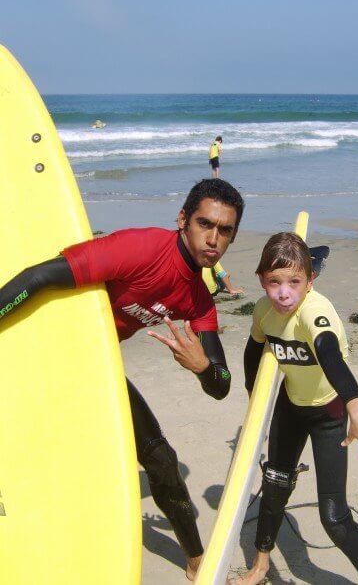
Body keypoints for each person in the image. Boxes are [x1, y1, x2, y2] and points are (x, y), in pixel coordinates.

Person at [0, 178, 244, 582]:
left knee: (161, 460)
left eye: (224, 231)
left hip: (94, 369)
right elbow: (38, 277)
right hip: (37, 354)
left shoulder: (198, 300)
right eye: (205, 224)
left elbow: (221, 385)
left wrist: (203, 367)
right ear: (183, 219)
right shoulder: (141, 249)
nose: (213, 239)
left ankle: (196, 559)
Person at [232, 232, 358, 585]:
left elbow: (328, 352)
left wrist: (356, 404)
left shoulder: (315, 311)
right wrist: (252, 394)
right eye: (274, 282)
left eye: (294, 282)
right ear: (261, 280)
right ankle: (260, 566)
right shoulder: (263, 309)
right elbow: (254, 348)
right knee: (275, 488)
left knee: (334, 517)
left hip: (329, 413)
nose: (284, 293)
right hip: (290, 408)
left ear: (310, 281)